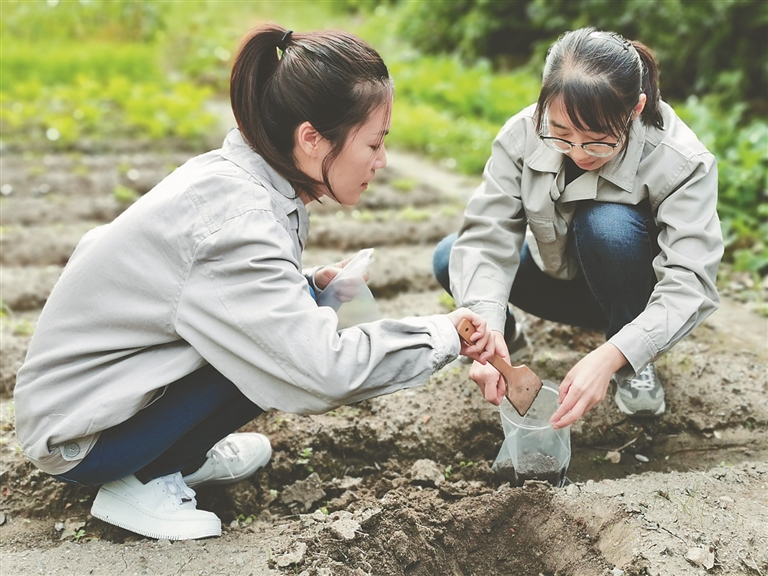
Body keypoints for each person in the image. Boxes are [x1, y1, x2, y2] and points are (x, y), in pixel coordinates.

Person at [13, 24, 492, 542]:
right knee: (284, 350)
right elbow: (322, 372)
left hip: (101, 398)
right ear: (311, 139)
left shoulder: (250, 182)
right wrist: (441, 335)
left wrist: (310, 287)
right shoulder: (237, 217)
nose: (381, 161)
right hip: (82, 435)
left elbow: (211, 290)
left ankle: (180, 452)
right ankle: (145, 476)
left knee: (291, 313)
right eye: (374, 143)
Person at [433, 27, 723, 429]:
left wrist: (614, 353)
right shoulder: (522, 134)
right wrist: (487, 329)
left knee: (606, 223)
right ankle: (506, 342)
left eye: (598, 141)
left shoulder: (680, 160)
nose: (578, 152)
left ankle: (631, 359)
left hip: (633, 296)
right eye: (562, 134)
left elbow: (691, 282)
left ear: (635, 109)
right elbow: (487, 237)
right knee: (451, 256)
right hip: (558, 279)